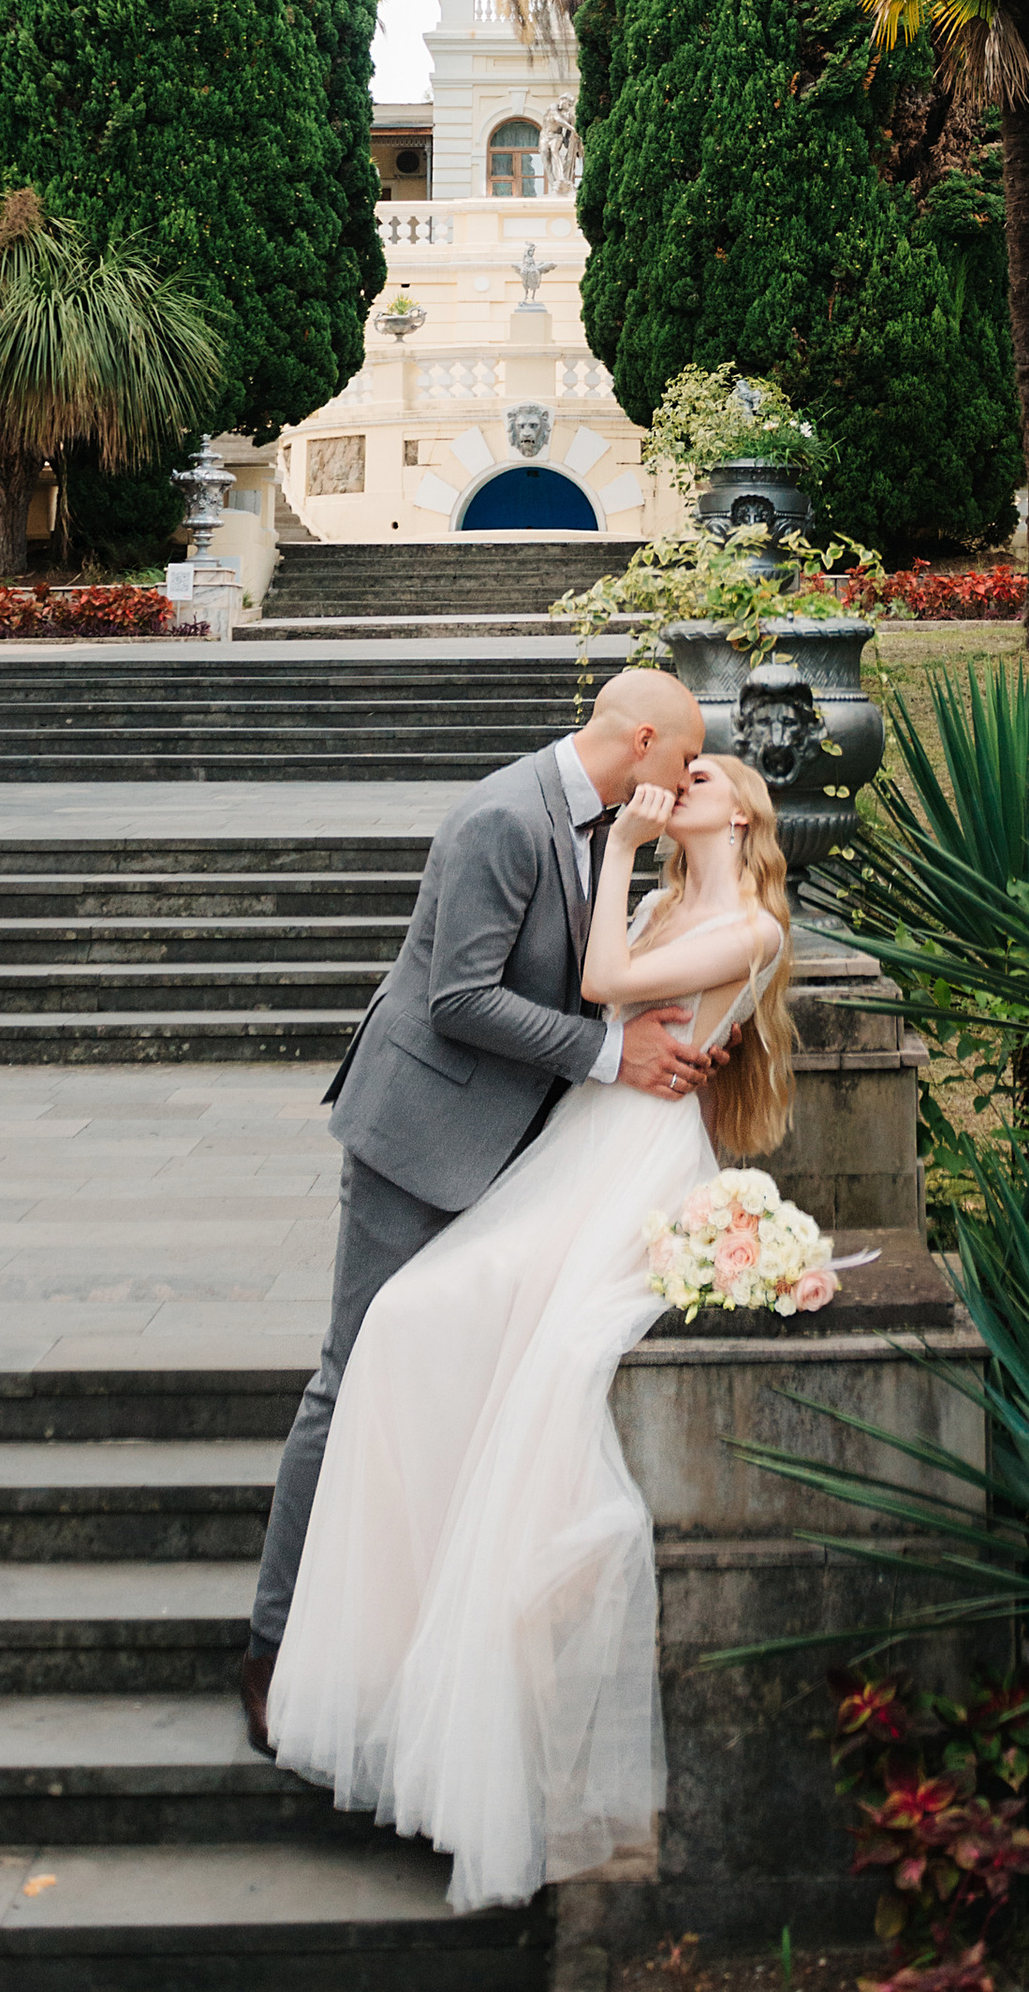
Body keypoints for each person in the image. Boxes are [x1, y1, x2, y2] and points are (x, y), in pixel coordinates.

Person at [266, 744, 797, 1911]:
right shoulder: (664, 892)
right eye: (684, 766)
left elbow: (606, 981)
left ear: (746, 811)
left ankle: (451, 1673)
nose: (685, 784)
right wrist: (631, 866)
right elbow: (590, 988)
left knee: (482, 1351)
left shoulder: (750, 924)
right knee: (405, 1327)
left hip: (633, 1163)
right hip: (574, 1147)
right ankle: (364, 1650)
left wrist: (611, 851)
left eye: (707, 778)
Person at [240, 664, 717, 1750]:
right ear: (638, 736)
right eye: (683, 755)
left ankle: (396, 1627)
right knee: (350, 1374)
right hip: (421, 1137)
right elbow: (461, 999)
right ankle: (271, 1646)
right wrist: (610, 1055)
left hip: (512, 1149)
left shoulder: (604, 825)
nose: (688, 775)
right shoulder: (505, 816)